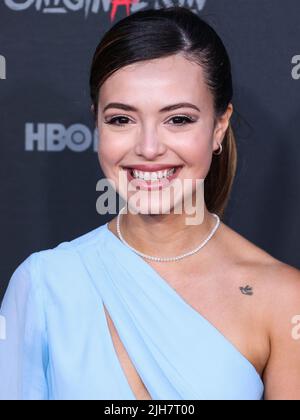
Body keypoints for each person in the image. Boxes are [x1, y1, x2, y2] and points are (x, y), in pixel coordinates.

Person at [1, 6, 300, 401]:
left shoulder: (281, 297)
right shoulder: (42, 284)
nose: (148, 148)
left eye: (177, 119)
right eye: (122, 120)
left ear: (219, 127)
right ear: (97, 125)